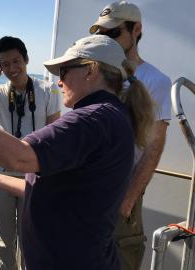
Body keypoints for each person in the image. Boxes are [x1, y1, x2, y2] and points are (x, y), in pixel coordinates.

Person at [0, 35, 155, 270]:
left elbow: (18, 156)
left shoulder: (92, 120)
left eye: (64, 72)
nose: (60, 82)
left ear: (91, 71)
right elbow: (53, 190)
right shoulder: (111, 116)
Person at [89, 2, 172, 269]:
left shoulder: (155, 80)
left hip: (121, 192)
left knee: (120, 260)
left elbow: (154, 148)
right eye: (101, 33)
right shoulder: (95, 75)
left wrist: (127, 201)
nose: (105, 39)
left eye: (112, 33)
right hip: (87, 189)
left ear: (136, 30)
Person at [0, 36, 60, 270]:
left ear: (26, 59)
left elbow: (55, 133)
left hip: (33, 175)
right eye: (5, 64)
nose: (12, 68)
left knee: (31, 236)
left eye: (16, 61)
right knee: (3, 237)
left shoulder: (48, 89)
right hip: (1, 174)